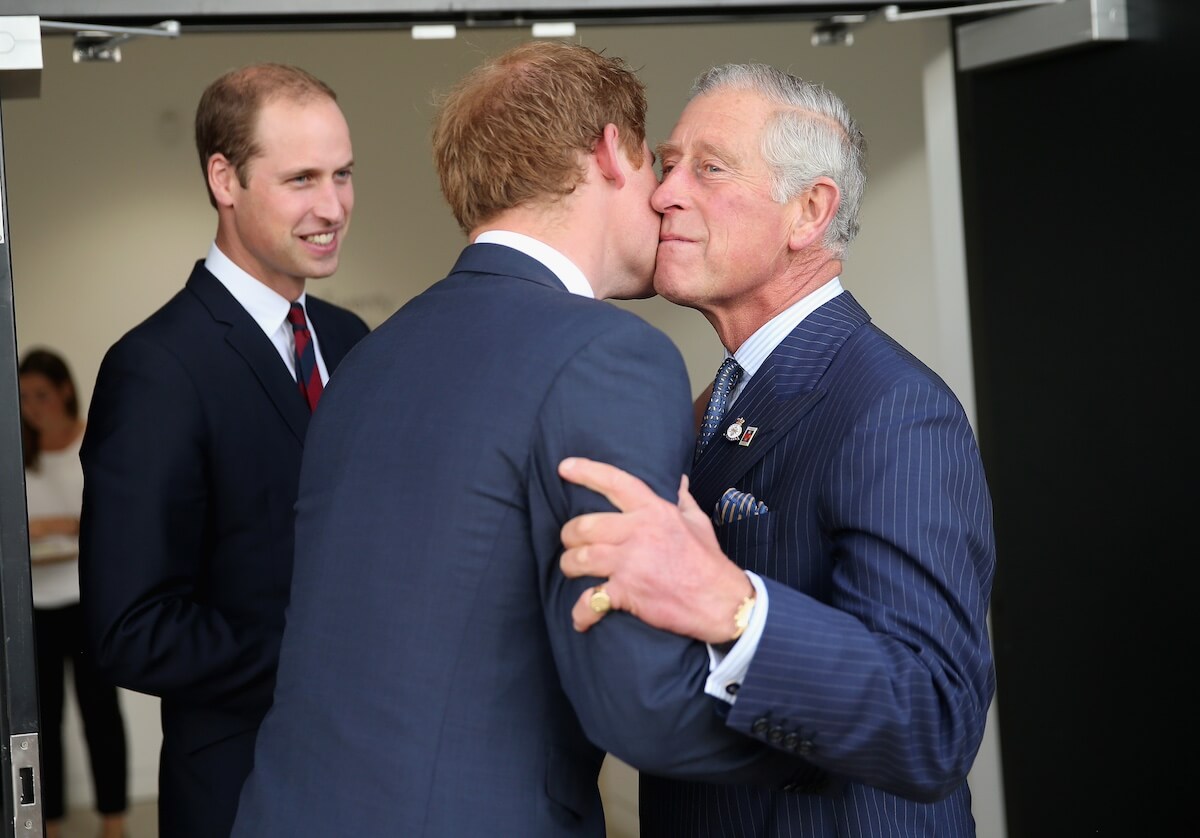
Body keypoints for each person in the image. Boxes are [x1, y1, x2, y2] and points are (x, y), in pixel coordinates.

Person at [232, 42, 813, 838]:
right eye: (658, 165)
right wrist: (840, 730)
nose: (668, 198)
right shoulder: (609, 353)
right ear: (613, 151)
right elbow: (640, 704)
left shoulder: (368, 359)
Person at [557, 63, 997, 836]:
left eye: (708, 168)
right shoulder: (717, 399)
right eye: (666, 165)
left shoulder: (894, 410)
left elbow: (933, 719)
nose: (663, 194)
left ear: (809, 212)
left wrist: (733, 606)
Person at [77, 63, 369, 838]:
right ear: (224, 178)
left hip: (374, 780)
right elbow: (128, 629)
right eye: (302, 179)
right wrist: (324, 656)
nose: (333, 206)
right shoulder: (157, 368)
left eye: (343, 175)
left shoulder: (351, 340)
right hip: (242, 798)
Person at [19, 348, 128, 838]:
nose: (32, 407)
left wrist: (67, 524)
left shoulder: (95, 440)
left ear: (64, 390)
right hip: (35, 607)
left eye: (40, 395)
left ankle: (113, 821)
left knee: (100, 714)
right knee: (44, 723)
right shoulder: (17, 451)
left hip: (88, 602)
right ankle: (52, 824)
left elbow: (119, 518)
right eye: (23, 398)